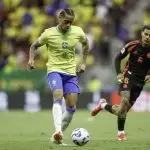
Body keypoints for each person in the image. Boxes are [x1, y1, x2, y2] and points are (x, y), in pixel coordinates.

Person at [28, 8, 89, 145]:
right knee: (58, 95)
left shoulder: (78, 32)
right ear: (60, 18)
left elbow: (86, 45)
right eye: (66, 21)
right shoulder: (49, 33)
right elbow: (34, 46)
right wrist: (31, 59)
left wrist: (84, 63)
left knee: (71, 107)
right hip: (54, 70)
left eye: (70, 22)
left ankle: (56, 138)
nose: (68, 25)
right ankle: (58, 131)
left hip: (71, 73)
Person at [91, 24, 150, 141]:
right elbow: (117, 58)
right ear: (142, 34)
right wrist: (119, 72)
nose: (148, 37)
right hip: (129, 77)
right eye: (146, 34)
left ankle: (103, 105)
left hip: (140, 83)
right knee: (124, 100)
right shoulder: (133, 45)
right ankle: (121, 134)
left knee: (121, 111)